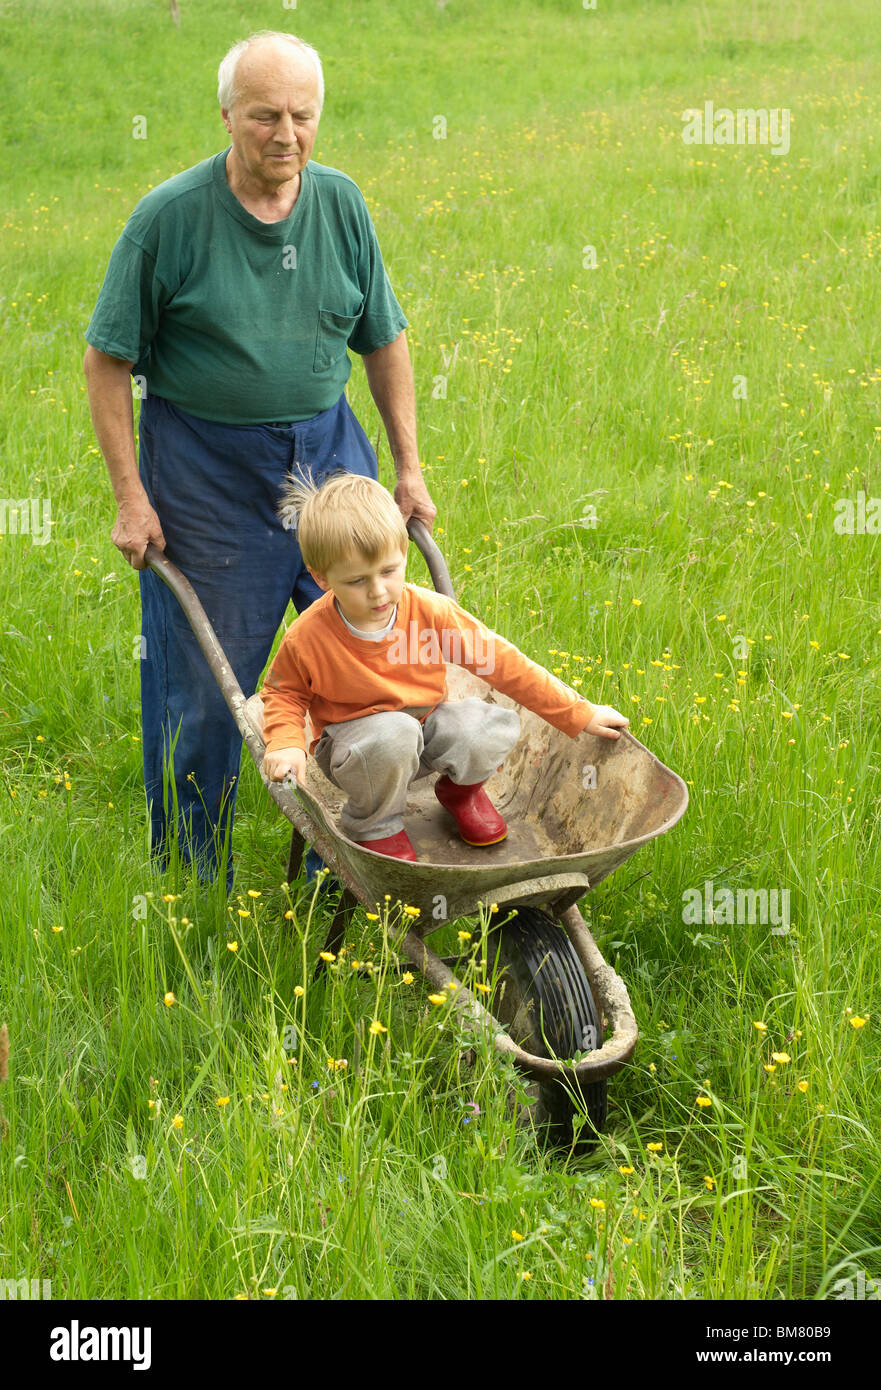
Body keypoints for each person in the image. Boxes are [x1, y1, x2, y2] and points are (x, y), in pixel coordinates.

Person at [81, 30, 435, 889]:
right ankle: (192, 883)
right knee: (208, 689)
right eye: (264, 115)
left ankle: (340, 861)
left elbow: (382, 340)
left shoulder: (342, 206)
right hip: (205, 470)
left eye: (302, 116)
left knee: (372, 664)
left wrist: (409, 467)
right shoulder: (169, 219)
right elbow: (107, 361)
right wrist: (133, 499)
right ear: (227, 115)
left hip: (325, 455)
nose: (286, 134)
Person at [260, 472, 630, 860]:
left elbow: (503, 663)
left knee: (484, 725)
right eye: (356, 580)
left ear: (403, 553)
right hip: (357, 750)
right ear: (321, 579)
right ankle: (373, 823)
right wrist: (286, 743)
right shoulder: (309, 637)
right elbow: (284, 692)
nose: (378, 590)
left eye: (388, 571)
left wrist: (579, 712)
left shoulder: (430, 613)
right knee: (394, 733)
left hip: (422, 729)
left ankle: (460, 790)